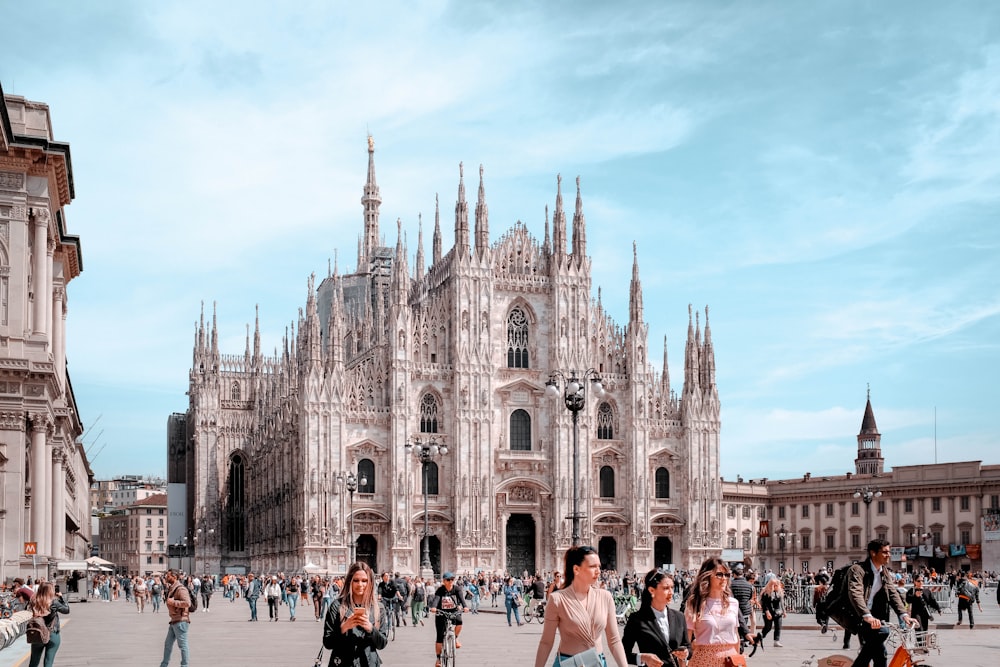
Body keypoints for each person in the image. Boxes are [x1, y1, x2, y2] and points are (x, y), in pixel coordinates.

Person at [534, 545, 630, 667]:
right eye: (592, 566)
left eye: (599, 566)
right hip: (568, 662)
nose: (598, 571)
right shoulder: (557, 599)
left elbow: (614, 641)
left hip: (597, 663)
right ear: (576, 569)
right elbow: (546, 642)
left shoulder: (605, 597)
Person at [845, 539, 918, 667]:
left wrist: (904, 615)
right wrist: (867, 616)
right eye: (885, 552)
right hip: (860, 617)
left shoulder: (884, 572)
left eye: (888, 552)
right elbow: (855, 593)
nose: (888, 555)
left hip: (876, 618)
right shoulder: (857, 570)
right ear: (873, 553)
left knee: (880, 656)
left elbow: (893, 593)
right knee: (883, 633)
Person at [683, 557, 754, 667]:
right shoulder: (694, 603)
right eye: (719, 574)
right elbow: (686, 639)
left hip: (730, 659)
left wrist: (738, 657)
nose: (724, 578)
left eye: (727, 575)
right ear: (707, 576)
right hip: (704, 660)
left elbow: (735, 635)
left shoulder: (733, 603)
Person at [323, 562, 388, 667]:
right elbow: (327, 643)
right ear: (350, 582)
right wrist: (343, 628)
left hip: (368, 663)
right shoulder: (337, 606)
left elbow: (382, 643)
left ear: (370, 583)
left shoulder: (378, 608)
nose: (360, 584)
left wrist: (371, 629)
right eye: (356, 580)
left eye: (364, 581)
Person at [622, 569, 690, 667]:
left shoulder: (679, 616)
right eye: (666, 588)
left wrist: (685, 653)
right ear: (652, 590)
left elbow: (688, 646)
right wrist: (642, 658)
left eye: (672, 587)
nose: (671, 592)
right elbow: (623, 652)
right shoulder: (636, 619)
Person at [429, 572, 470, 667]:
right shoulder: (440, 590)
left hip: (453, 611)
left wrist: (465, 607)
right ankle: (438, 659)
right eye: (448, 580)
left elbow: (462, 599)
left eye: (452, 579)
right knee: (439, 637)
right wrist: (434, 607)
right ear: (444, 581)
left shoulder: (457, 589)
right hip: (441, 613)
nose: (451, 581)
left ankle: (455, 638)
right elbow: (436, 599)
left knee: (459, 622)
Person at [27, 582, 70, 667]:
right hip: (52, 633)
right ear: (51, 591)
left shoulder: (34, 601)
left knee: (34, 662)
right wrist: (61, 597)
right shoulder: (54, 603)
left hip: (37, 632)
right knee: (48, 662)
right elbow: (66, 610)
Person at [160, 569, 191, 667]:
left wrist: (172, 602)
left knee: (183, 646)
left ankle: (185, 665)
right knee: (167, 644)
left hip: (181, 621)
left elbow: (187, 603)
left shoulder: (180, 589)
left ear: (174, 577)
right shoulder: (172, 588)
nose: (166, 577)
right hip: (174, 620)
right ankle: (164, 665)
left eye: (168, 576)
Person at [906, 575, 941, 646]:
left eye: (922, 581)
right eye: (918, 581)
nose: (920, 582)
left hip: (925, 613)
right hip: (916, 613)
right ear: (915, 582)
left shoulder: (926, 591)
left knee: (925, 630)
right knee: (919, 629)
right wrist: (915, 596)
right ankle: (920, 645)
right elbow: (908, 600)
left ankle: (923, 645)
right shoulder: (911, 591)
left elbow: (932, 601)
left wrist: (938, 609)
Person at [759, 578, 786, 647]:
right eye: (773, 585)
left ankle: (776, 641)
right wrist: (767, 612)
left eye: (776, 585)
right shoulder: (766, 592)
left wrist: (784, 611)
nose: (775, 586)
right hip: (768, 612)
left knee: (778, 626)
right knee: (768, 627)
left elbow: (782, 602)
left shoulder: (779, 592)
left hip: (778, 612)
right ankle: (760, 638)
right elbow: (764, 603)